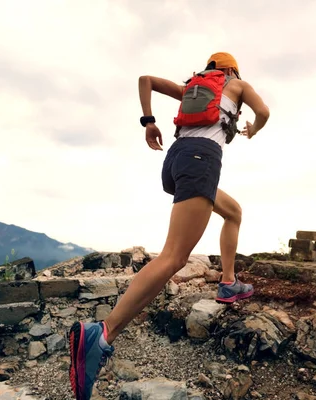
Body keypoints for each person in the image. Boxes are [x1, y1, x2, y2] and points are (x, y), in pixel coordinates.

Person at [68, 52, 270, 400]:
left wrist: (148, 121)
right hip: (201, 160)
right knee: (174, 257)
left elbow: (144, 79)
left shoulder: (191, 88)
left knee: (232, 211)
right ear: (232, 70)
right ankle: (101, 334)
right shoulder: (237, 85)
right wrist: (254, 127)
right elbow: (264, 112)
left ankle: (228, 282)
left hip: (175, 160)